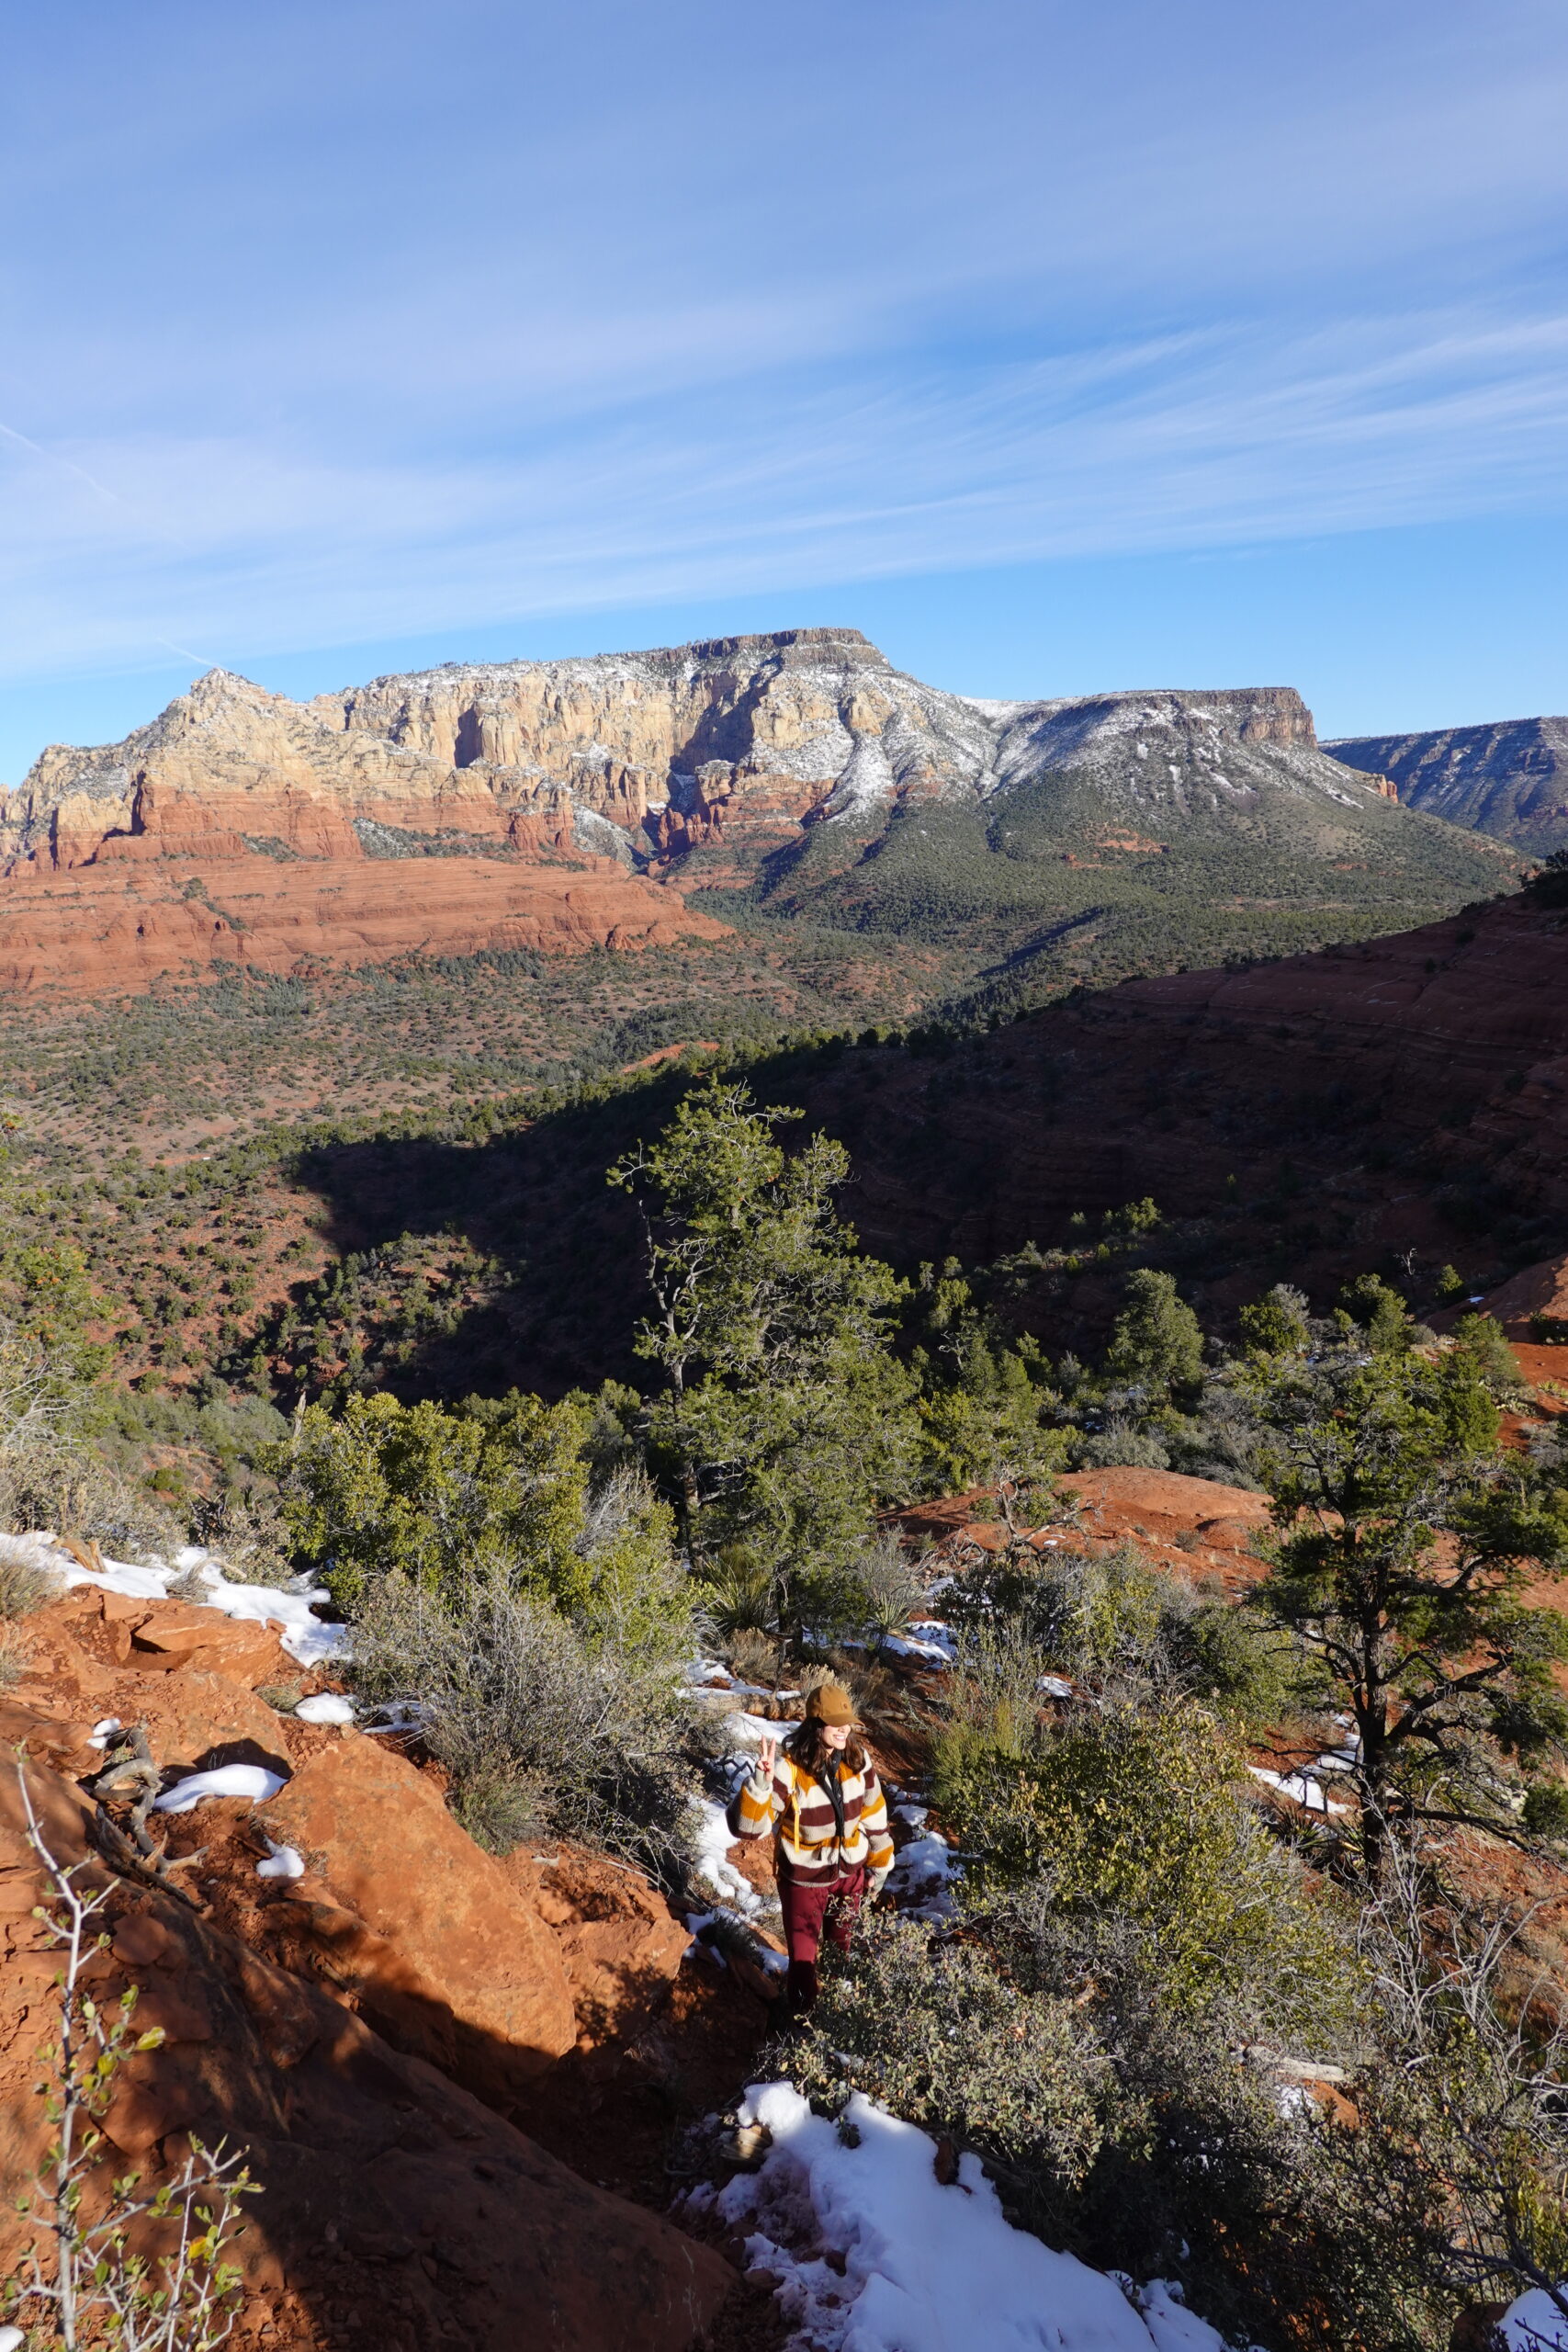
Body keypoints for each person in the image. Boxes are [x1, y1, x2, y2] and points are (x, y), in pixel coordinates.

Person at [732, 1680, 894, 2016]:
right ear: (816, 1723)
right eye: (836, 1723)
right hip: (804, 1880)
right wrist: (760, 1784)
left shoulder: (858, 1761)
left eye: (847, 1721)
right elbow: (748, 1829)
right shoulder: (789, 1769)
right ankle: (800, 2034)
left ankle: (835, 2027)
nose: (844, 1729)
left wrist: (879, 1867)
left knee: (840, 1956)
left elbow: (875, 1816)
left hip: (849, 1875)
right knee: (804, 1967)